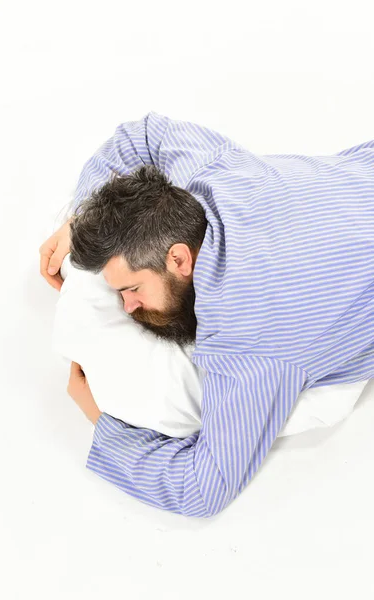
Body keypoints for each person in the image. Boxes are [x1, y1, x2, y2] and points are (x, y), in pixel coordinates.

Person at [39, 111, 374, 517]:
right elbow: (142, 135)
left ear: (179, 258)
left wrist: (99, 419)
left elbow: (201, 489)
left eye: (132, 289)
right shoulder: (216, 174)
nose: (126, 307)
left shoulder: (246, 343)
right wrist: (81, 221)